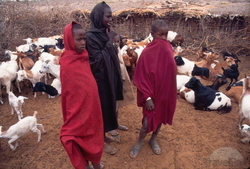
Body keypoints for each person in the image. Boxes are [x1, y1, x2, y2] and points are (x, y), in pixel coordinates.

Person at [129, 19, 177, 159]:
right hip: (150, 95)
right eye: (160, 34)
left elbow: (170, 72)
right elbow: (140, 76)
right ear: (152, 34)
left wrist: (169, 94)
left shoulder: (168, 48)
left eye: (165, 34)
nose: (163, 37)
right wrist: (147, 97)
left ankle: (153, 140)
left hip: (165, 93)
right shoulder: (147, 52)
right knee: (146, 122)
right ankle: (139, 143)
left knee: (161, 118)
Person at [59, 21, 104, 169]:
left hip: (92, 107)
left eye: (84, 38)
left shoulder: (84, 56)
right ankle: (84, 165)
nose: (83, 42)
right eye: (79, 39)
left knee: (94, 136)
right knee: (70, 136)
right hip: (77, 109)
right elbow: (68, 93)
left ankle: (96, 164)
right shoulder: (67, 61)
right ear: (69, 40)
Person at [85, 1, 123, 155]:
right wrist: (108, 42)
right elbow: (96, 61)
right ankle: (99, 141)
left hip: (110, 78)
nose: (110, 19)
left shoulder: (105, 33)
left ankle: (104, 136)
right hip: (100, 82)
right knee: (100, 111)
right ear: (98, 16)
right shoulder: (90, 37)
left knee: (108, 108)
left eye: (111, 16)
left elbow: (112, 54)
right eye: (108, 16)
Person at [107, 34, 136, 137]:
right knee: (110, 106)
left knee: (117, 104)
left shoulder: (118, 51)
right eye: (114, 42)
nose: (116, 44)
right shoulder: (107, 53)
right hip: (111, 81)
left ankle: (115, 123)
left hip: (119, 80)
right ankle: (109, 127)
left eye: (117, 42)